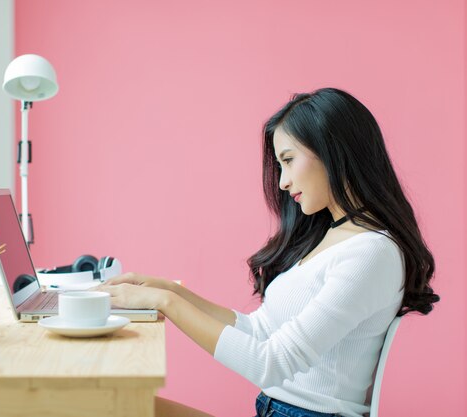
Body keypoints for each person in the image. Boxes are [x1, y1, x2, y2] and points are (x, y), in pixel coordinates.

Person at [97, 88, 440, 417]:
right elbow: (260, 330)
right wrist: (170, 289)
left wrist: (164, 303)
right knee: (119, 408)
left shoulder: (371, 253)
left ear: (333, 152)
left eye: (289, 161)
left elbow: (270, 363)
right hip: (276, 410)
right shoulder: (335, 237)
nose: (283, 182)